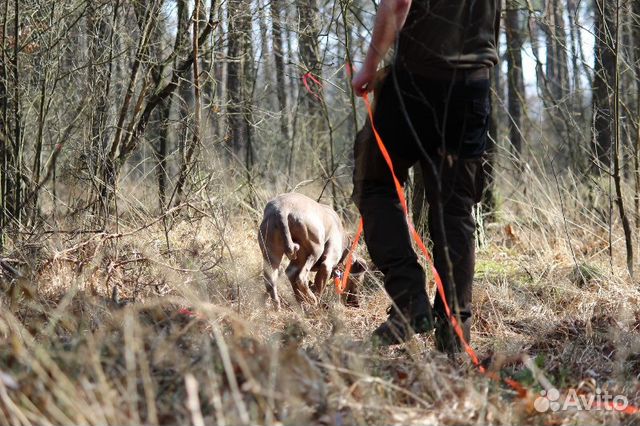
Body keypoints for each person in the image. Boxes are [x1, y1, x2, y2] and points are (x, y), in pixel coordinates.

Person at [351, 0, 501, 350]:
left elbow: (399, 3)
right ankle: (455, 330)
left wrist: (370, 66)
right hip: (472, 86)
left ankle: (408, 301)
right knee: (455, 207)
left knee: (375, 182)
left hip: (417, 81)